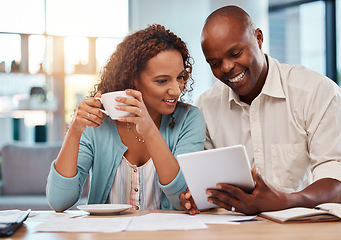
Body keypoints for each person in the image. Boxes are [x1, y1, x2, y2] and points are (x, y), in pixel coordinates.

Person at [180, 5, 341, 215]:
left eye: (235, 53)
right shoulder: (206, 107)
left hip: (303, 230)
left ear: (258, 38)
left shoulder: (316, 91)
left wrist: (284, 201)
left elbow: (336, 184)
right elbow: (209, 186)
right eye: (215, 63)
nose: (226, 67)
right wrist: (199, 196)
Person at [46, 24, 205, 212]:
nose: (176, 90)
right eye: (162, 80)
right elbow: (58, 201)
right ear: (132, 79)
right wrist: (74, 131)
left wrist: (149, 131)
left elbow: (184, 201)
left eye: (180, 77)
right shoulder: (98, 123)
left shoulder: (189, 119)